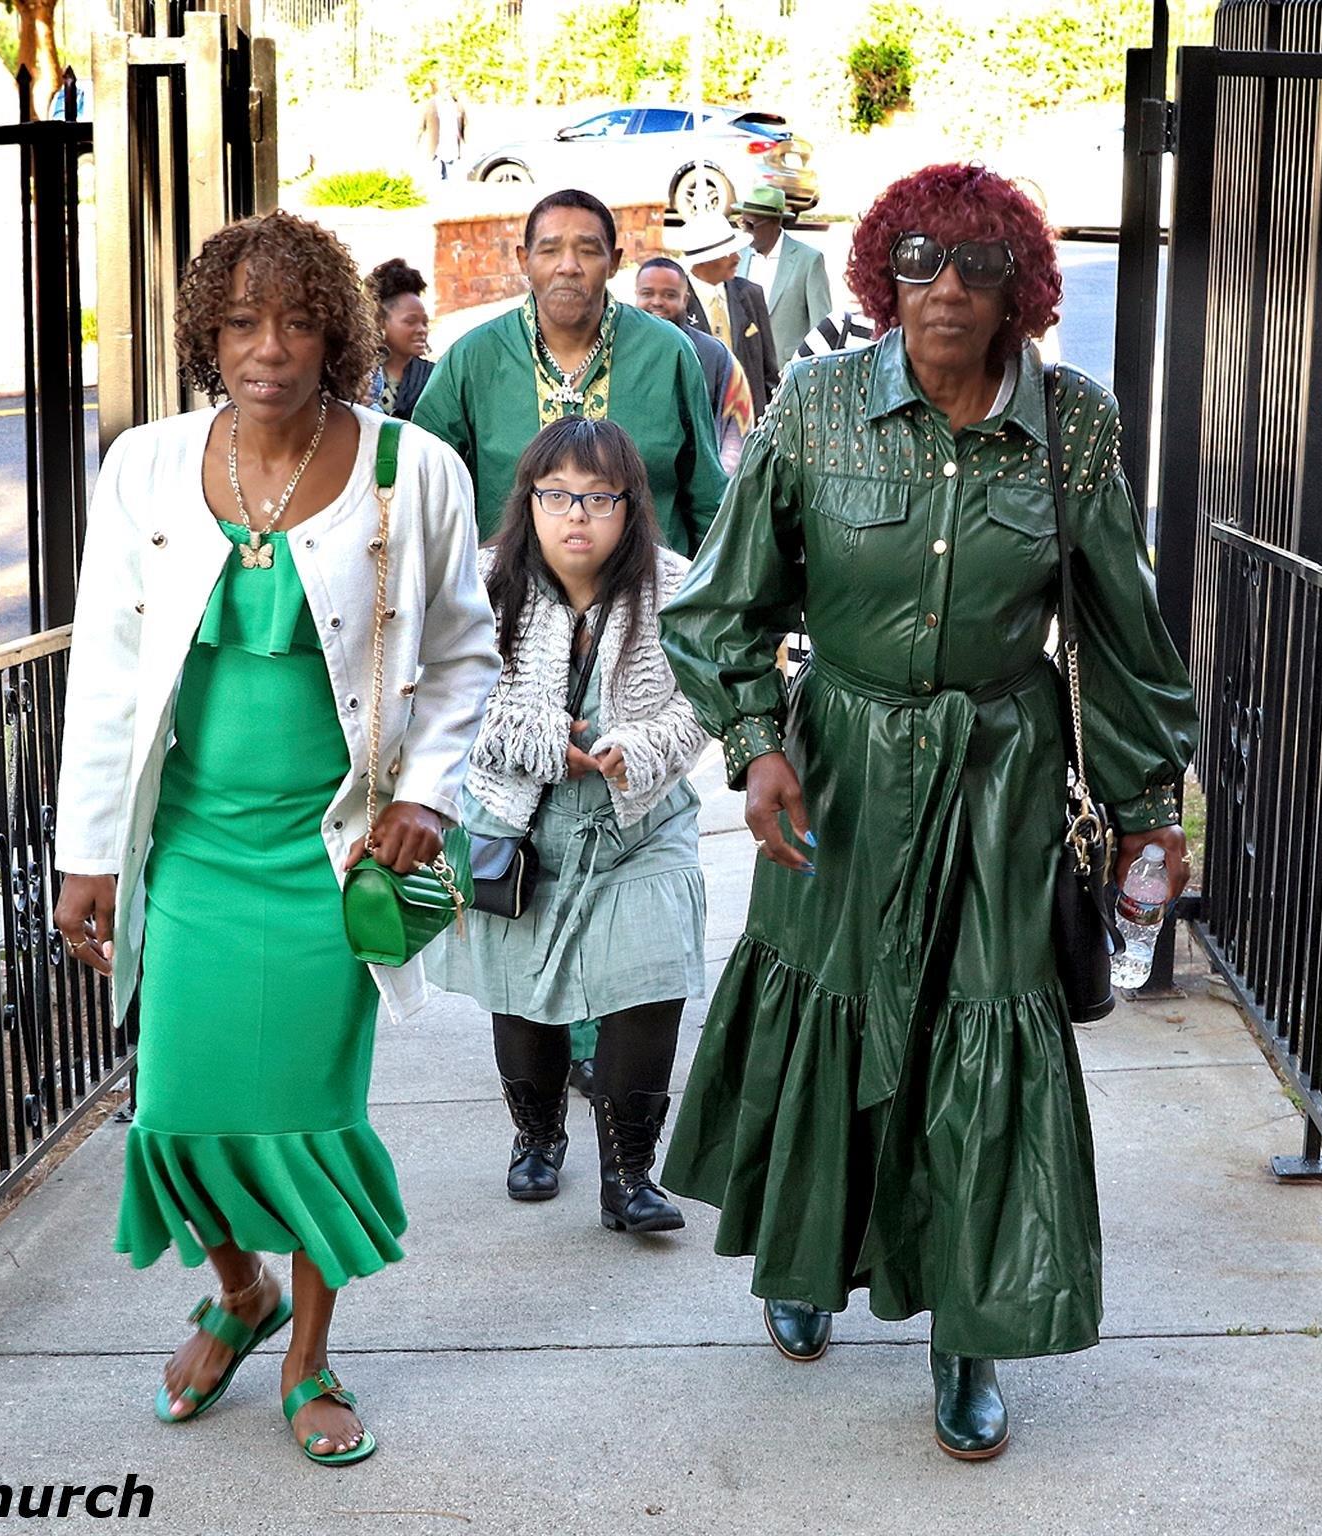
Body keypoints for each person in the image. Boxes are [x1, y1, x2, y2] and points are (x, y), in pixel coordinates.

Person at [657, 164, 1199, 1460]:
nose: (946, 287)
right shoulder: (817, 408)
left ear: (1022, 287)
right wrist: (756, 745)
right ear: (880, 279)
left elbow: (1119, 634)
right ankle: (806, 1255)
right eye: (918, 261)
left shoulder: (1074, 426)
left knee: (985, 1034)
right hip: (838, 775)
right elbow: (722, 605)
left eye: (977, 265)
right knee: (829, 1010)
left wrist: (1146, 809)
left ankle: (971, 1327)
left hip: (1002, 783)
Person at [53, 210, 500, 1468]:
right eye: (243, 322)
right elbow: (108, 668)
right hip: (193, 847)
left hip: (332, 853)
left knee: (307, 1114)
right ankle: (239, 1290)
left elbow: (465, 653)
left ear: (336, 335)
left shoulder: (413, 470)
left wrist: (428, 795)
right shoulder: (146, 467)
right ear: (208, 333)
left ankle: (308, 1356)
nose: (269, 348)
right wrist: (88, 851)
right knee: (180, 1108)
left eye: (299, 322)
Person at [428, 417, 708, 1232]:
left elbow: (705, 699)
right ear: (529, 501)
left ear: (630, 505)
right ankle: (537, 1137)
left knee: (649, 983)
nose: (576, 515)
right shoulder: (481, 584)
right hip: (517, 826)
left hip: (640, 824)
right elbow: (440, 697)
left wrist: (639, 748)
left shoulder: (677, 587)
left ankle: (630, 1176)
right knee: (521, 996)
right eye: (556, 496)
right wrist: (546, 742)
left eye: (597, 497)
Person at [414, 187, 728, 553]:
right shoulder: (473, 359)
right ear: (524, 260)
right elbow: (424, 496)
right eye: (549, 251)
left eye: (588, 251)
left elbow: (708, 499)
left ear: (614, 262)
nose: (568, 266)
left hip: (648, 586)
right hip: (506, 586)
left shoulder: (667, 353)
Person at [634, 255, 752, 474]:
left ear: (685, 299)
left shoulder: (715, 355)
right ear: (636, 295)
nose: (657, 302)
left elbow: (737, 429)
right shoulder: (617, 348)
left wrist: (721, 481)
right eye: (647, 293)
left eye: (669, 295)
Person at [675, 213, 777, 417]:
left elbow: (769, 370)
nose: (737, 257)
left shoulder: (750, 294)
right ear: (704, 261)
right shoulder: (677, 303)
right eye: (728, 253)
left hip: (749, 422)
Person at [732, 185, 833, 370]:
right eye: (741, 223)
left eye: (750, 225)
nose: (745, 231)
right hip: (744, 372)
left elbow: (822, 327)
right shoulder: (737, 257)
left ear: (775, 223)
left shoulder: (808, 260)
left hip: (790, 371)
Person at [364, 257, 434, 420]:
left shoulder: (435, 378)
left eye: (425, 322)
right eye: (410, 321)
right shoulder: (359, 378)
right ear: (380, 322)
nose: (422, 330)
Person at [417, 78, 466, 182]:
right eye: (445, 88)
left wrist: (465, 144)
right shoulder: (430, 105)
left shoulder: (456, 104)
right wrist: (417, 143)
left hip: (452, 150)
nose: (447, 90)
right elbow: (420, 126)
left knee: (451, 181)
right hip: (435, 151)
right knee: (434, 180)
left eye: (448, 87)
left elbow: (465, 124)